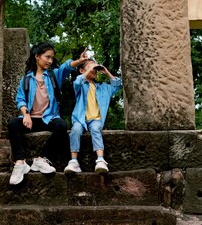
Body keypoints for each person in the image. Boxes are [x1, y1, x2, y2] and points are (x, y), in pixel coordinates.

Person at [8, 42, 88, 185]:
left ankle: (41, 159)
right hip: (31, 119)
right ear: (37, 57)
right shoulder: (26, 79)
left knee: (62, 126)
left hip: (48, 119)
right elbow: (20, 99)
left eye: (52, 58)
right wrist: (26, 114)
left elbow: (66, 67)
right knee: (13, 124)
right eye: (47, 57)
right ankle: (20, 162)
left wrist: (80, 61)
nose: (50, 61)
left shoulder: (53, 75)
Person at [64, 59, 122, 174]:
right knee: (75, 130)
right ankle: (74, 161)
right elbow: (77, 82)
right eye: (90, 67)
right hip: (80, 119)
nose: (93, 70)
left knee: (95, 129)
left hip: (96, 119)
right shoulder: (81, 86)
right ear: (82, 70)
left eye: (95, 68)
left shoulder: (103, 87)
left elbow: (118, 85)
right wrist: (88, 70)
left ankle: (100, 160)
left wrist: (107, 72)